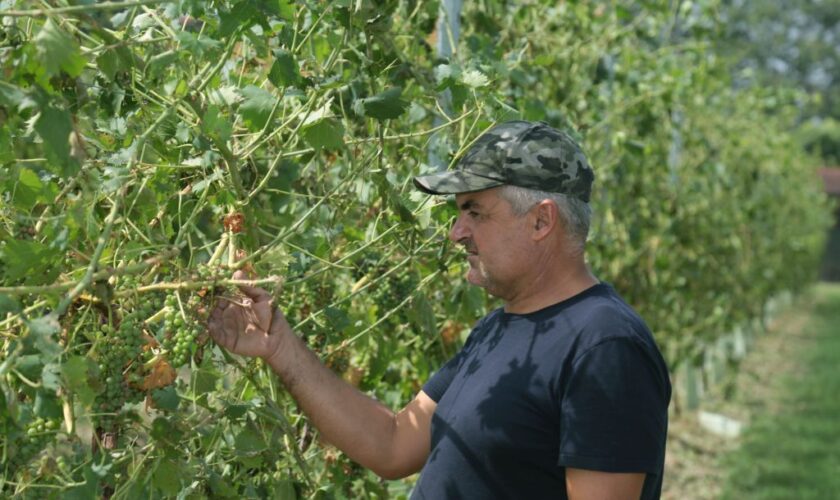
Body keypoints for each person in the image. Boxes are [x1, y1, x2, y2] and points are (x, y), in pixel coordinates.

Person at [208, 120, 671, 499]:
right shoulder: (499, 330)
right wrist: (279, 345)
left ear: (541, 221)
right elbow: (392, 444)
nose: (456, 233)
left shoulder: (605, 346)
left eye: (475, 212)